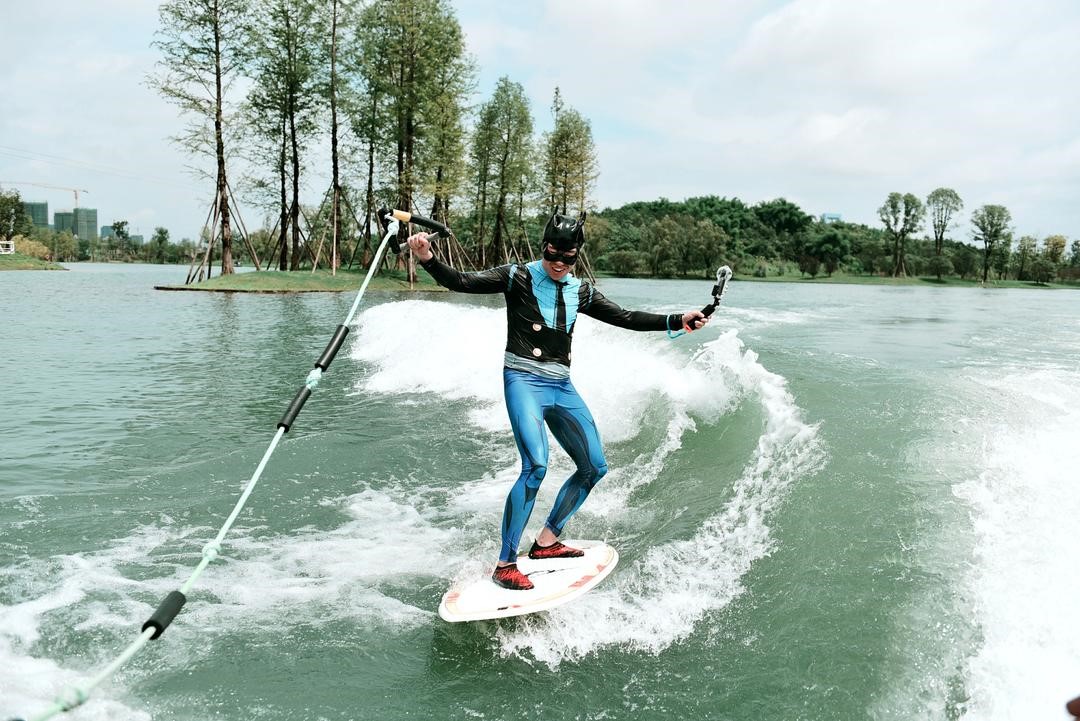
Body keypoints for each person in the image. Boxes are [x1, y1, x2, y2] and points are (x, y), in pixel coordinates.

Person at [407, 213, 708, 590]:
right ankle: (504, 563)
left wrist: (679, 319)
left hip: (561, 386)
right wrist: (428, 258)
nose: (559, 264)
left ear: (576, 255)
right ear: (543, 247)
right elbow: (462, 281)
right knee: (536, 465)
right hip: (523, 381)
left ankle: (547, 541)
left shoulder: (580, 291)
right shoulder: (516, 276)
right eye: (553, 255)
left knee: (594, 466)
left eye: (568, 258)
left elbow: (627, 317)